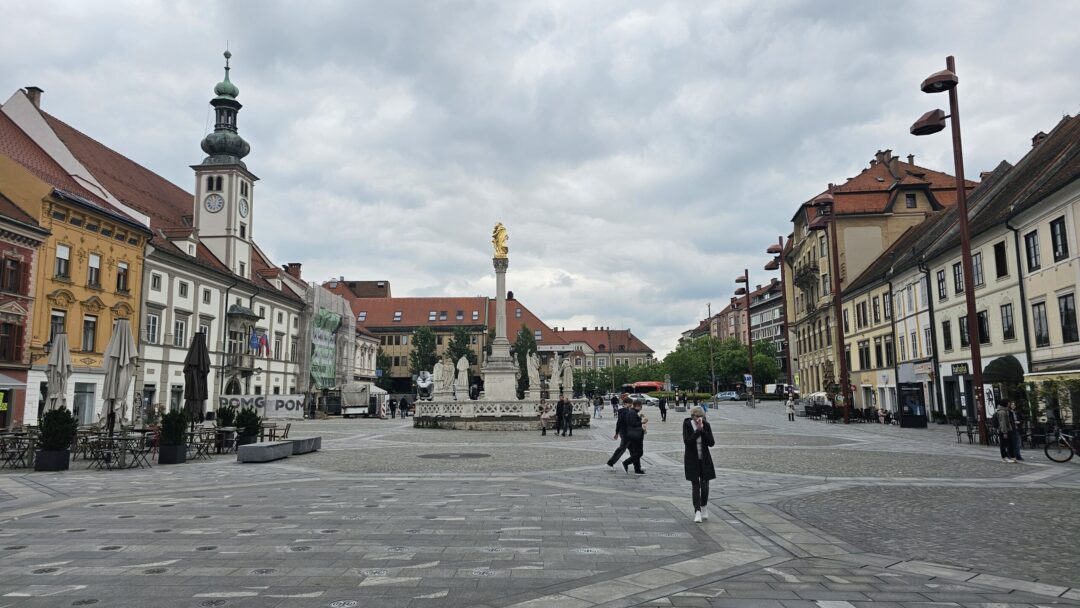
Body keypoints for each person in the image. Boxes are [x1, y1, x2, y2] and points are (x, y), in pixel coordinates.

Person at [683, 406, 715, 522]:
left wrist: (703, 431)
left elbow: (711, 443)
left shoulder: (706, 425)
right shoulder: (687, 425)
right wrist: (697, 432)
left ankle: (704, 506)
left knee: (705, 485)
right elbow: (687, 442)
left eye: (701, 416)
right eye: (697, 416)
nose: (699, 419)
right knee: (695, 485)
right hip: (692, 460)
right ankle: (697, 511)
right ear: (693, 416)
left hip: (705, 460)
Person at [621, 400, 646, 475]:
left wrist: (639, 418)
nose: (641, 407)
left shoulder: (633, 412)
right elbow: (633, 424)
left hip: (635, 435)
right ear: (637, 405)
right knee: (639, 453)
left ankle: (637, 469)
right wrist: (642, 422)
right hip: (635, 436)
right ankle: (625, 463)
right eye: (641, 406)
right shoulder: (632, 413)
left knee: (636, 453)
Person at [606, 397, 630, 468]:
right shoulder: (624, 411)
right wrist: (616, 433)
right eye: (630, 404)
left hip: (627, 432)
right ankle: (610, 463)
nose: (631, 405)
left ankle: (637, 465)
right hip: (625, 432)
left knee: (634, 450)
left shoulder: (627, 410)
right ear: (625, 403)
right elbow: (619, 422)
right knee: (622, 448)